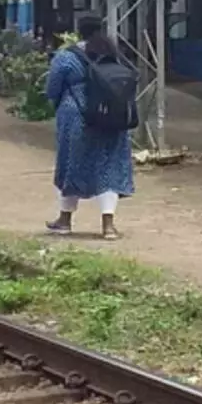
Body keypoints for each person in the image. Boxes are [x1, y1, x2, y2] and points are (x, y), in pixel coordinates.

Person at [45, 16, 134, 240]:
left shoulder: (66, 57)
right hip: (112, 115)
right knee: (109, 165)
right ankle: (108, 226)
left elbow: (52, 89)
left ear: (78, 31)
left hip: (76, 115)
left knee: (72, 164)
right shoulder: (114, 53)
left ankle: (65, 220)